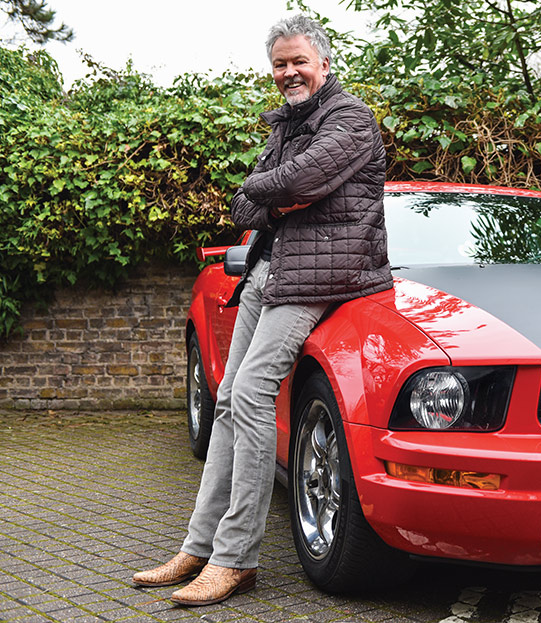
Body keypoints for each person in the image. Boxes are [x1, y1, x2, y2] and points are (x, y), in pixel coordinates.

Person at [131, 15, 391, 606]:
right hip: (268, 271)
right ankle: (198, 547)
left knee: (249, 394)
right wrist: (276, 195)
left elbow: (302, 178)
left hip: (319, 278)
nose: (289, 72)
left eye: (299, 61)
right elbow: (248, 205)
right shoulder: (287, 124)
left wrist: (273, 190)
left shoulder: (350, 118)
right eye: (280, 64)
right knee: (226, 399)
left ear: (324, 62)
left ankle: (236, 558)